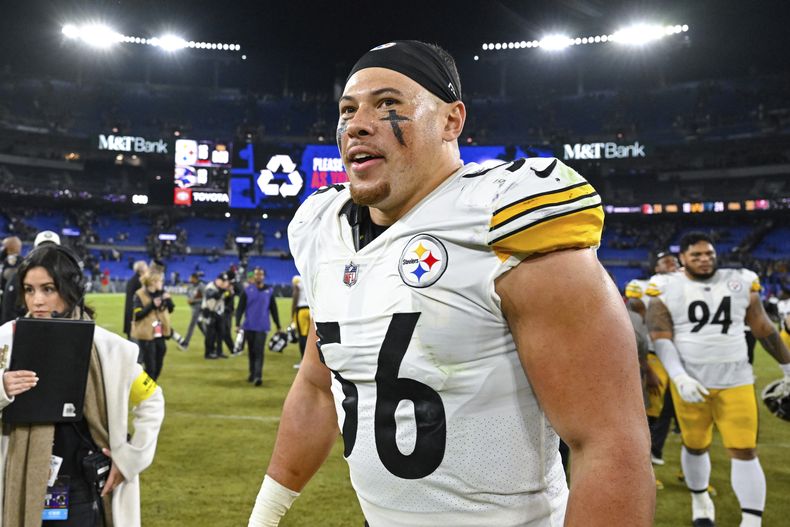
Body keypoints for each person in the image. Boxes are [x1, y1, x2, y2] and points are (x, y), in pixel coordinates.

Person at [248, 40, 654, 526]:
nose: (357, 124)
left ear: (451, 121)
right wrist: (265, 515)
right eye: (348, 109)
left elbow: (610, 442)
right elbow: (318, 385)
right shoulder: (321, 227)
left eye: (389, 105)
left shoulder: (505, 217)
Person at [0, 244, 164, 526]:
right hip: (20, 477)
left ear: (71, 289)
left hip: (83, 486)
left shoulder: (109, 349)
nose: (36, 300)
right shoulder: (6, 339)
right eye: (29, 290)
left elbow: (152, 399)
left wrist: (129, 460)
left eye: (48, 289)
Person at [646, 231, 790, 527]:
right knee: (695, 445)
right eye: (696, 255)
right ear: (682, 258)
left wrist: (788, 367)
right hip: (691, 382)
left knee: (745, 450)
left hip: (736, 380)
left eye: (709, 253)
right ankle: (701, 502)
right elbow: (660, 337)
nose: (704, 259)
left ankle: (751, 521)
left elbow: (764, 329)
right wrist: (679, 376)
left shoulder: (740, 280)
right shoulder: (664, 285)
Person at [626, 250, 681, 468]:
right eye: (665, 261)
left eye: (674, 260)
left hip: (680, 357)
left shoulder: (689, 287)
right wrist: (646, 367)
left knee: (672, 410)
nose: (672, 263)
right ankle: (642, 461)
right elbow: (635, 324)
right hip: (654, 355)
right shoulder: (641, 286)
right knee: (650, 410)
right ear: (656, 267)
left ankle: (656, 452)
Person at [235, 267, 281, 386]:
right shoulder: (247, 290)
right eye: (256, 275)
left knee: (259, 351)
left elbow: (273, 309)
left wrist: (278, 325)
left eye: (260, 275)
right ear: (254, 276)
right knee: (251, 351)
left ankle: (258, 376)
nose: (258, 277)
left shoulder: (269, 291)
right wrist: (237, 323)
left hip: (262, 327)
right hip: (249, 326)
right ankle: (252, 373)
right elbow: (240, 308)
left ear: (263, 277)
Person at [131, 271, 174, 381]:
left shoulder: (161, 292)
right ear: (153, 282)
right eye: (160, 280)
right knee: (151, 367)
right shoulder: (139, 294)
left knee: (159, 359)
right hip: (146, 334)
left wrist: (168, 299)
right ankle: (147, 389)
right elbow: (138, 315)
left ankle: (150, 384)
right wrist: (152, 305)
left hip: (159, 332)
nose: (162, 283)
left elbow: (171, 308)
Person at [201, 273, 230, 359]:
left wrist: (227, 291)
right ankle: (208, 353)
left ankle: (219, 351)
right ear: (217, 280)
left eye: (225, 281)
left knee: (221, 333)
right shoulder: (210, 286)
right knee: (210, 334)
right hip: (208, 311)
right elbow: (211, 295)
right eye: (222, 281)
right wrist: (222, 290)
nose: (223, 283)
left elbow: (228, 297)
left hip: (218, 312)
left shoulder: (223, 289)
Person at [123, 260, 148, 340]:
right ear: (142, 270)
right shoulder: (138, 281)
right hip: (134, 314)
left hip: (132, 313)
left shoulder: (134, 280)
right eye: (146, 268)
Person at [179, 272, 205, 348]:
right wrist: (190, 300)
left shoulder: (201, 286)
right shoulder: (190, 286)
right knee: (200, 324)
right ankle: (209, 338)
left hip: (200, 308)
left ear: (195, 279)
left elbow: (205, 298)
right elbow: (188, 295)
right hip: (194, 308)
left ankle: (185, 343)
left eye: (191, 278)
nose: (189, 279)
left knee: (192, 325)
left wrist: (194, 301)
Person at [290, 275, 310, 369]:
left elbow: (295, 294)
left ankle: (303, 361)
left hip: (301, 310)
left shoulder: (297, 279)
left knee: (302, 336)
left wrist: (292, 311)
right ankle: (311, 361)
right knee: (310, 337)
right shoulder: (310, 276)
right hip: (311, 311)